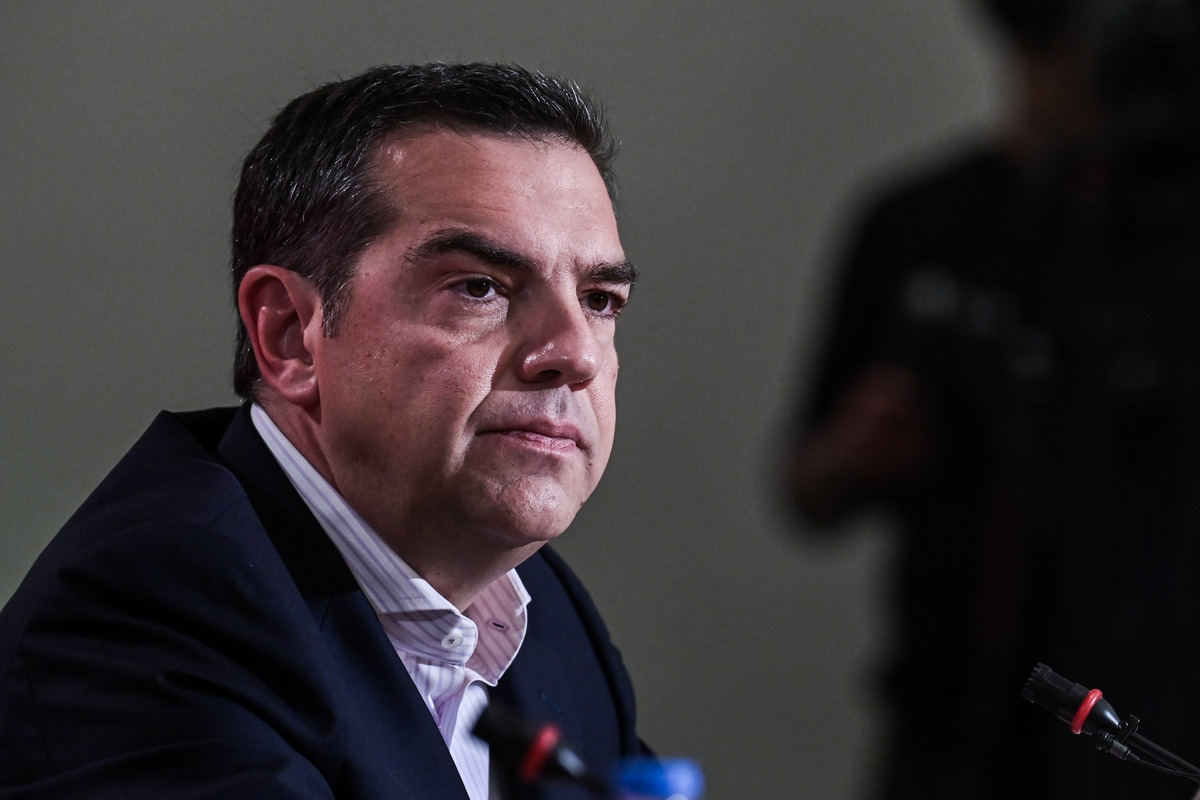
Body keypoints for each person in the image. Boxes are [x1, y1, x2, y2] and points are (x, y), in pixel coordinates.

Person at [0, 62, 648, 800]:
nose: (574, 354)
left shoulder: (543, 613)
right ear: (290, 335)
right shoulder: (146, 623)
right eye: (479, 288)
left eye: (600, 300)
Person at [784, 1, 1200, 799]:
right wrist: (853, 454)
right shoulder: (921, 224)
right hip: (961, 729)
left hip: (1160, 730)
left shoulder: (1169, 242)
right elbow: (806, 487)